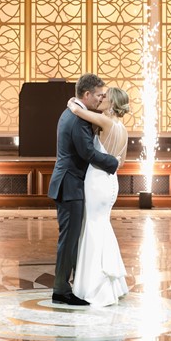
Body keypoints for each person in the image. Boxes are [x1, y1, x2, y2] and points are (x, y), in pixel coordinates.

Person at [47, 73, 119, 307]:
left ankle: (74, 284)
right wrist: (114, 163)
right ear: (86, 95)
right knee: (69, 239)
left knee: (72, 238)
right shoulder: (77, 119)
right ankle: (61, 290)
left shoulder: (73, 112)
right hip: (70, 185)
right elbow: (86, 152)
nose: (100, 100)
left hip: (71, 182)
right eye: (98, 95)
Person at [66, 86, 130, 307]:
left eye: (105, 97)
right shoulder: (123, 129)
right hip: (111, 182)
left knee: (92, 227)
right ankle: (113, 284)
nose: (101, 99)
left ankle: (93, 286)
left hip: (96, 181)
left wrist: (72, 101)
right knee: (102, 226)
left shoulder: (105, 122)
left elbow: (76, 110)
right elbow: (121, 162)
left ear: (112, 104)